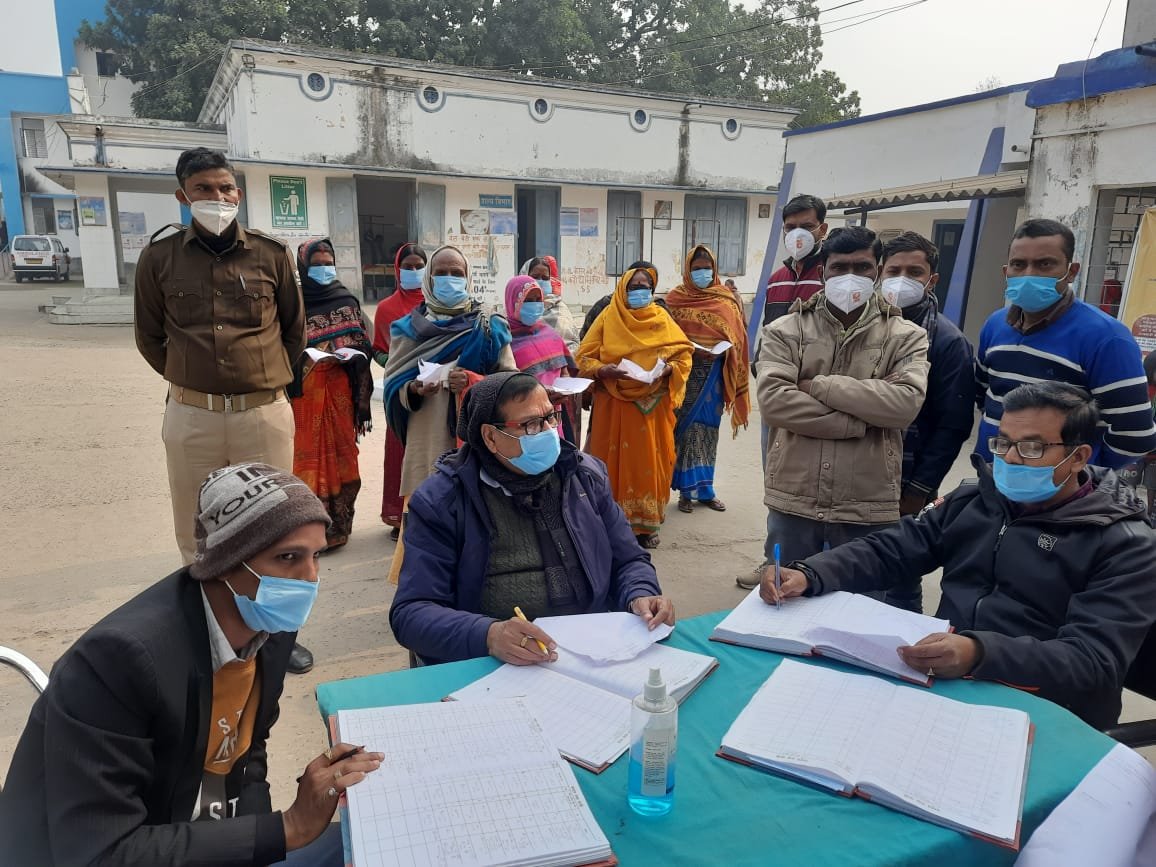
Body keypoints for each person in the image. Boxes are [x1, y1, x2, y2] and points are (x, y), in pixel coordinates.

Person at [0, 463, 383, 865]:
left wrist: (263, 843)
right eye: (288, 557)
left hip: (191, 835)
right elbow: (101, 853)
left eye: (316, 556)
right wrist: (287, 829)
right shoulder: (117, 661)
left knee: (362, 844)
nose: (309, 579)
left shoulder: (268, 625)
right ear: (226, 561)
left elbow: (248, 751)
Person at [762, 383, 1156, 730]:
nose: (1011, 459)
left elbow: (1093, 661)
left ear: (1079, 457)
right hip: (945, 680)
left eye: (1032, 447)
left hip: (1048, 710)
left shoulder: (1124, 543)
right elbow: (895, 548)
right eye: (1003, 443)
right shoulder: (977, 500)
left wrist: (978, 652)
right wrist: (810, 572)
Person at [134, 146, 313, 675]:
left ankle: (275, 637)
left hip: (263, 413)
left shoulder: (271, 254)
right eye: (204, 189)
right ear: (182, 195)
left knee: (277, 529)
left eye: (225, 187)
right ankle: (210, 638)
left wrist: (256, 377)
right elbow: (149, 337)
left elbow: (294, 332)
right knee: (197, 531)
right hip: (193, 416)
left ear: (238, 191)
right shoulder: (159, 258)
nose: (217, 197)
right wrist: (197, 378)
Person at [390, 372, 676, 664]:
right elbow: (412, 612)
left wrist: (640, 593)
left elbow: (628, 559)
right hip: (498, 662)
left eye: (551, 417)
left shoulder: (583, 476)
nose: (549, 431)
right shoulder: (443, 500)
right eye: (530, 424)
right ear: (490, 437)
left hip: (592, 649)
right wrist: (488, 635)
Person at [746, 227, 929, 605]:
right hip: (794, 497)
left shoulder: (906, 335)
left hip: (867, 500)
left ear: (877, 270)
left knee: (860, 609)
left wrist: (818, 386)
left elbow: (904, 405)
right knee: (784, 606)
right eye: (839, 267)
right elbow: (775, 401)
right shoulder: (785, 330)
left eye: (862, 267)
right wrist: (860, 419)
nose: (850, 277)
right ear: (823, 271)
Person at [975, 218, 1156, 469]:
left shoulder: (1107, 338)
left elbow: (1136, 435)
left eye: (1044, 264)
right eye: (1019, 264)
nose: (1029, 274)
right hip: (992, 474)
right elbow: (984, 397)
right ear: (1006, 272)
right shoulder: (995, 325)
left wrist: (1084, 476)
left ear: (1071, 271)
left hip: (1060, 487)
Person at [381, 244, 516, 502]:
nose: (449, 279)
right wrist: (413, 389)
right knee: (427, 505)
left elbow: (511, 382)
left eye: (456, 273)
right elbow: (393, 383)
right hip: (426, 437)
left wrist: (474, 382)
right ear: (429, 278)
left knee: (475, 507)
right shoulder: (406, 329)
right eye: (441, 273)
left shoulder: (490, 325)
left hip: (476, 436)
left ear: (468, 277)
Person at [576, 261, 693, 548]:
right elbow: (583, 357)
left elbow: (683, 355)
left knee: (651, 463)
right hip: (614, 401)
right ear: (623, 288)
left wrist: (668, 370)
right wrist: (603, 370)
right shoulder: (608, 316)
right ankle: (612, 522)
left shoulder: (662, 318)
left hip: (653, 405)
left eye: (646, 286)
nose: (640, 291)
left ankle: (647, 524)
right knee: (611, 464)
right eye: (634, 286)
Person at [879, 232, 975, 518]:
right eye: (894, 271)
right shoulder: (864, 326)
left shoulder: (949, 342)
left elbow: (953, 425)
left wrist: (918, 490)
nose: (902, 280)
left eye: (914, 272)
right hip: (855, 474)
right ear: (880, 274)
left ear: (932, 280)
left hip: (908, 483)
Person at [288, 237, 374, 550]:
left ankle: (338, 528)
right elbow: (283, 347)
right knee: (305, 460)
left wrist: (349, 353)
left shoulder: (346, 299)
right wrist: (309, 355)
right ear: (303, 267)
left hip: (340, 395)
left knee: (343, 457)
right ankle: (306, 531)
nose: (324, 269)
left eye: (328, 264)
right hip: (305, 397)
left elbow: (363, 343)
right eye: (316, 265)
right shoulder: (293, 303)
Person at [665, 245, 751, 513]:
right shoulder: (675, 299)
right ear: (687, 270)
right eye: (696, 268)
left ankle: (705, 491)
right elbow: (665, 336)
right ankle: (685, 493)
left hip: (714, 374)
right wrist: (690, 350)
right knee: (685, 432)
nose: (702, 273)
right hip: (685, 375)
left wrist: (723, 351)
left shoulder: (726, 299)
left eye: (706, 268)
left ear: (714, 270)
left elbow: (739, 337)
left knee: (708, 433)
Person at [371, 242, 428, 539]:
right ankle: (399, 516)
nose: (414, 271)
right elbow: (378, 350)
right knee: (400, 451)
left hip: (433, 389)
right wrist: (398, 364)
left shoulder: (436, 305)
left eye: (419, 266)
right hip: (400, 389)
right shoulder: (386, 309)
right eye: (408, 267)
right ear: (398, 269)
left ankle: (430, 516)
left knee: (430, 449)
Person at [505, 274, 582, 443]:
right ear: (512, 301)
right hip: (523, 420)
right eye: (527, 300)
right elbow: (503, 382)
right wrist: (540, 394)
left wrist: (564, 385)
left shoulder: (549, 333)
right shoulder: (504, 339)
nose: (534, 304)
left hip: (554, 413)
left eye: (537, 299)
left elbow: (564, 369)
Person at [761, 193, 827, 328]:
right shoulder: (775, 280)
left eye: (806, 227)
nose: (797, 235)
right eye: (790, 227)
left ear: (822, 230)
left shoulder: (832, 278)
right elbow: (769, 327)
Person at [521, 255, 580, 351]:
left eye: (545, 278)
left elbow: (571, 344)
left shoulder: (560, 309)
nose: (540, 281)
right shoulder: (515, 308)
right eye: (535, 277)